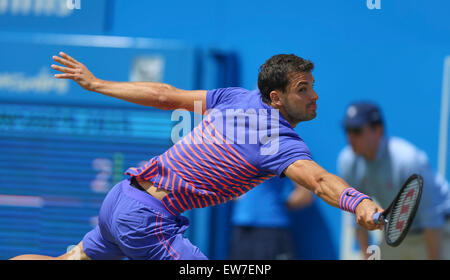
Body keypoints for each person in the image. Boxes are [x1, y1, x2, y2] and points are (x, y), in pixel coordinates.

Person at [11, 53, 383, 260]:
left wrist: (96, 84)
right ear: (276, 97)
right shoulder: (278, 142)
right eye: (303, 89)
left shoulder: (236, 97)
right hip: (146, 219)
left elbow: (164, 96)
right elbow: (318, 181)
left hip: (121, 198)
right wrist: (359, 202)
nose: (314, 96)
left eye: (313, 87)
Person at [337, 102, 450, 260]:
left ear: (378, 131)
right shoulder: (348, 161)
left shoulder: (407, 160)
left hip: (440, 230)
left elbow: (432, 217)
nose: (351, 138)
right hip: (400, 234)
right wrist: (366, 256)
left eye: (357, 131)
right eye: (347, 131)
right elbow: (357, 216)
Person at [228, 177, 313, 260]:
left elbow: (305, 193)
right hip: (241, 227)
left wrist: (278, 207)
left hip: (272, 229)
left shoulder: (283, 162)